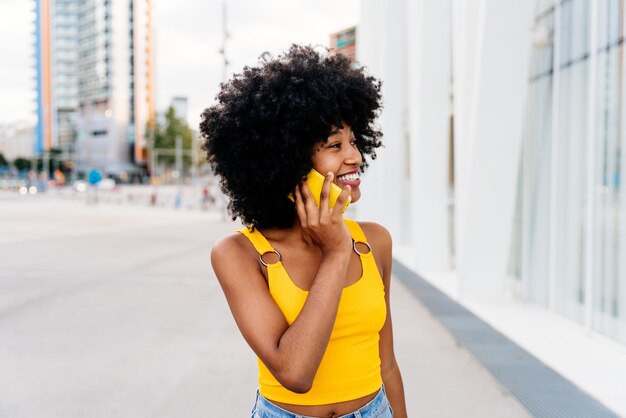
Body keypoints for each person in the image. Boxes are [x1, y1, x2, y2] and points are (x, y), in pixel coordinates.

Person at [201, 45, 407, 418]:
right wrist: (334, 252)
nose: (355, 156)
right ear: (287, 161)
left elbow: (387, 363)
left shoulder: (375, 241)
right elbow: (295, 372)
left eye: (354, 140)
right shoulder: (239, 253)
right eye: (334, 145)